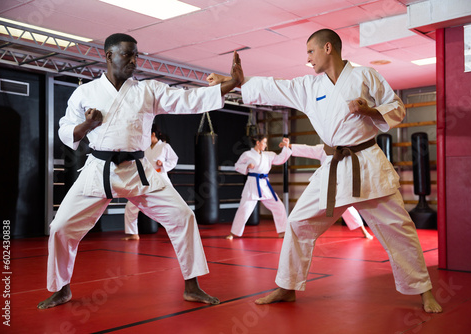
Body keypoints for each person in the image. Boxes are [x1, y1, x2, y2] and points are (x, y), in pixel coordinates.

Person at [207, 29, 442, 313]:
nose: (308, 59)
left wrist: (370, 112)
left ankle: (424, 292)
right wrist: (235, 82)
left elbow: (397, 107)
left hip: (366, 164)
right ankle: (286, 287)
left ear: (327, 48)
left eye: (310, 52)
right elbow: (275, 87)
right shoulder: (311, 86)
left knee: (399, 229)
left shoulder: (366, 76)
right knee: (296, 223)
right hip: (332, 169)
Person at [37, 33, 243, 309]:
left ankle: (192, 286)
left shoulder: (148, 91)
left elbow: (187, 99)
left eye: (136, 55)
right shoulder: (85, 93)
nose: (134, 60)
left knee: (183, 216)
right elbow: (65, 130)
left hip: (138, 170)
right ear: (109, 56)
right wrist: (87, 126)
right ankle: (61, 288)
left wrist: (230, 85)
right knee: (61, 227)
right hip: (99, 168)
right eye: (127, 54)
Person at [289, 143, 373, 239]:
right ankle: (300, 230)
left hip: (340, 182)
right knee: (304, 204)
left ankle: (364, 231)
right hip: (324, 183)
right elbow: (308, 149)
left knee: (348, 209)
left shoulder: (346, 148)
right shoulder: (323, 149)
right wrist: (291, 146)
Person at [226, 135, 291, 240]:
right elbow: (237, 165)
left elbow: (280, 159)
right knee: (244, 209)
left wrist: (286, 147)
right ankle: (233, 233)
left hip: (264, 185)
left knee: (278, 206)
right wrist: (246, 166)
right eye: (264, 142)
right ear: (257, 143)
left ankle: (282, 231)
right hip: (252, 184)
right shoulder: (247, 154)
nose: (265, 145)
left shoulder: (268, 155)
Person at [123, 126, 178, 240]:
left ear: (153, 134)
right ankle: (133, 233)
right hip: (146, 180)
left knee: (173, 205)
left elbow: (174, 159)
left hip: (160, 179)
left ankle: (177, 231)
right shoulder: (145, 148)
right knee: (131, 206)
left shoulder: (164, 146)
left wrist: (163, 164)